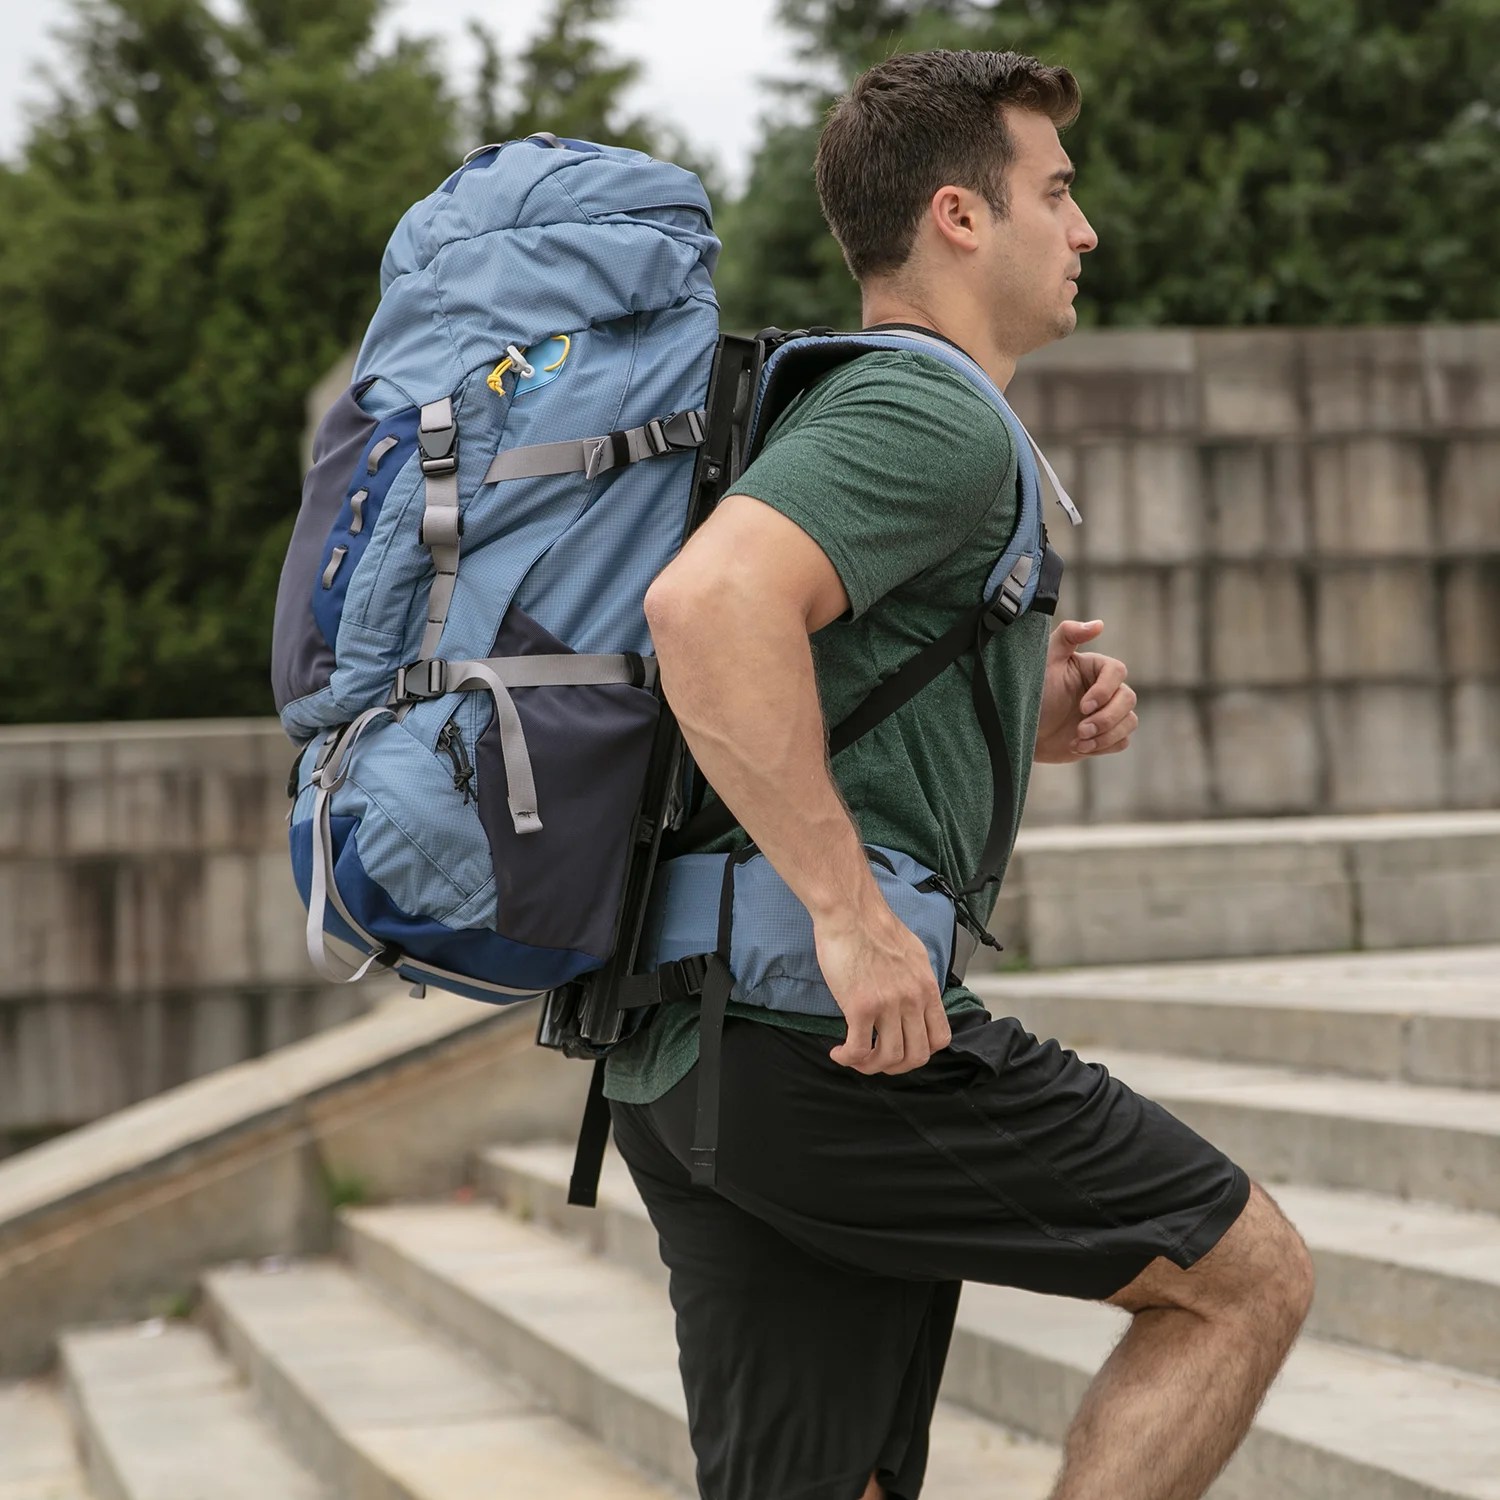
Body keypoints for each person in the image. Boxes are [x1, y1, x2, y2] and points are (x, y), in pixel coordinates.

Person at [604, 47, 1314, 1500]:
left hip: (688, 1053)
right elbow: (707, 609)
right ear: (960, 217)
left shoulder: (829, 405)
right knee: (1242, 1279)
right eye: (1056, 191)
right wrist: (853, 914)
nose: (1085, 228)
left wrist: (1002, 699)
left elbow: (806, 661)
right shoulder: (922, 412)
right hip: (823, 1034)